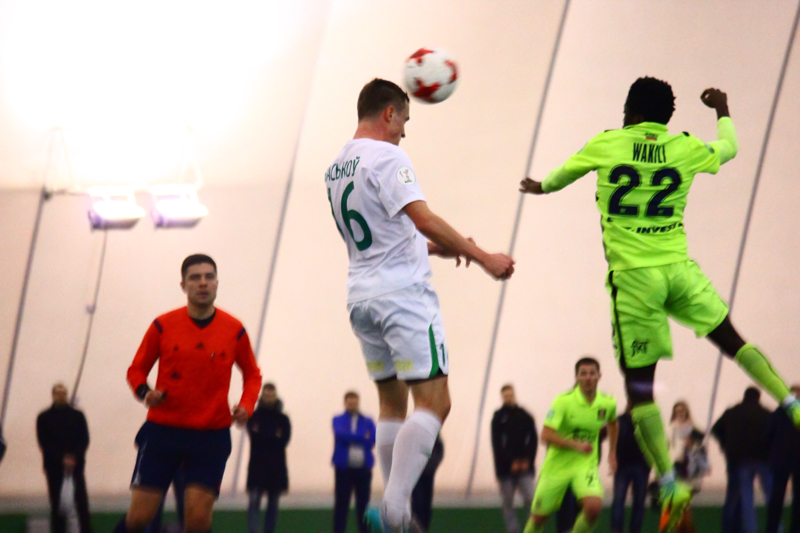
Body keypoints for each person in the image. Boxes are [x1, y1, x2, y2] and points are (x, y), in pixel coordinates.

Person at [519, 77, 800, 532]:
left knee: (640, 392)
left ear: (629, 111)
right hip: (679, 270)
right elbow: (729, 149)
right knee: (733, 339)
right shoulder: (683, 147)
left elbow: (562, 175)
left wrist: (540, 187)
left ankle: (669, 483)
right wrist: (722, 109)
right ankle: (789, 401)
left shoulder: (608, 143)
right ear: (667, 117)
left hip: (635, 281)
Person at [326, 78, 515, 533]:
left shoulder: (336, 167)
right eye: (404, 120)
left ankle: (395, 508)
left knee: (391, 404)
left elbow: (380, 235)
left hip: (362, 297)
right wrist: (482, 256)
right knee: (435, 402)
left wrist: (432, 250)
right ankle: (395, 510)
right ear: (389, 113)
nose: (404, 132)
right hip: (403, 297)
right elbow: (422, 218)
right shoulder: (388, 156)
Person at [114, 254, 263, 533]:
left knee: (197, 522)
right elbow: (136, 370)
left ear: (217, 283)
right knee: (138, 519)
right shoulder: (163, 325)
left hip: (210, 436)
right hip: (162, 432)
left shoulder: (234, 330)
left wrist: (246, 406)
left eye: (209, 277)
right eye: (195, 278)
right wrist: (145, 392)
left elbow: (252, 374)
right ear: (183, 285)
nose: (203, 283)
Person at [523, 357, 618, 533]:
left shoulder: (607, 403)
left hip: (584, 464)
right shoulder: (563, 402)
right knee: (538, 518)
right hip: (557, 466)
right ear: (576, 377)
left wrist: (612, 452)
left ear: (599, 376)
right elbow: (546, 435)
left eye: (592, 373)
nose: (588, 377)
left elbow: (613, 423)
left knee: (594, 507)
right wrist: (575, 444)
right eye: (583, 373)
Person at [712, 387, 773, 533]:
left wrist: (725, 445)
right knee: (770, 495)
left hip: (739, 459)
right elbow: (774, 435)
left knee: (744, 498)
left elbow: (716, 429)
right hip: (763, 459)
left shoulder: (732, 412)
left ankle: (747, 528)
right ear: (758, 397)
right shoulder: (766, 414)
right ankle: (776, 527)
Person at [36, 383, 92, 533]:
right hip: (54, 468)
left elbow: (84, 439)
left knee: (82, 503)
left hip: (76, 467)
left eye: (63, 393)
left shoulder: (77, 416)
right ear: (53, 395)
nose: (61, 396)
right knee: (57, 505)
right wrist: (62, 458)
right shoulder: (44, 418)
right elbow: (44, 443)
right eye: (58, 393)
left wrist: (73, 458)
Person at [491, 384, 538, 533]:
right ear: (502, 397)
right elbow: (497, 444)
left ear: (514, 395)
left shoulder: (524, 415)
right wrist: (509, 463)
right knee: (508, 503)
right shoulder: (498, 418)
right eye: (506, 396)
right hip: (506, 470)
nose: (509, 398)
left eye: (510, 395)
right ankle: (513, 530)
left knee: (531, 498)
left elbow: (533, 439)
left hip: (525, 467)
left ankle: (531, 529)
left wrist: (528, 460)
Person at [247, 383, 291, 533]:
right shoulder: (253, 416)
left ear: (275, 396)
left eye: (271, 395)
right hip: (257, 468)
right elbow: (254, 437)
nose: (269, 398)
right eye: (266, 395)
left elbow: (284, 440)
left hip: (276, 469)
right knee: (254, 504)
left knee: (273, 506)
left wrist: (263, 435)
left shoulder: (283, 419)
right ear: (262, 396)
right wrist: (273, 436)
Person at [332, 391, 376, 533]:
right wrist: (362, 436)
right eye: (349, 402)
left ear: (358, 403)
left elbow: (372, 440)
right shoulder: (337, 419)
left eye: (354, 402)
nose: (352, 405)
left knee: (363, 506)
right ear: (345, 403)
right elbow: (341, 436)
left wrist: (352, 438)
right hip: (343, 469)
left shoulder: (368, 421)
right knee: (341, 505)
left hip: (363, 469)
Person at [611, 404, 651, 533]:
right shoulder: (620, 420)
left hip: (641, 466)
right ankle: (616, 530)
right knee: (618, 501)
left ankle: (635, 530)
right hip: (622, 466)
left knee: (639, 503)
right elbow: (612, 438)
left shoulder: (646, 421)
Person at [766, 384, 800, 533]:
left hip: (781, 460)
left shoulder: (778, 413)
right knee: (798, 499)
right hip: (798, 460)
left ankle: (772, 528)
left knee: (777, 498)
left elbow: (768, 434)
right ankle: (795, 528)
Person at [410, 434, 443, 532]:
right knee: (418, 504)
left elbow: (439, 451)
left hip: (427, 473)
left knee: (425, 505)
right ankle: (417, 528)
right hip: (417, 474)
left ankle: (422, 528)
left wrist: (431, 466)